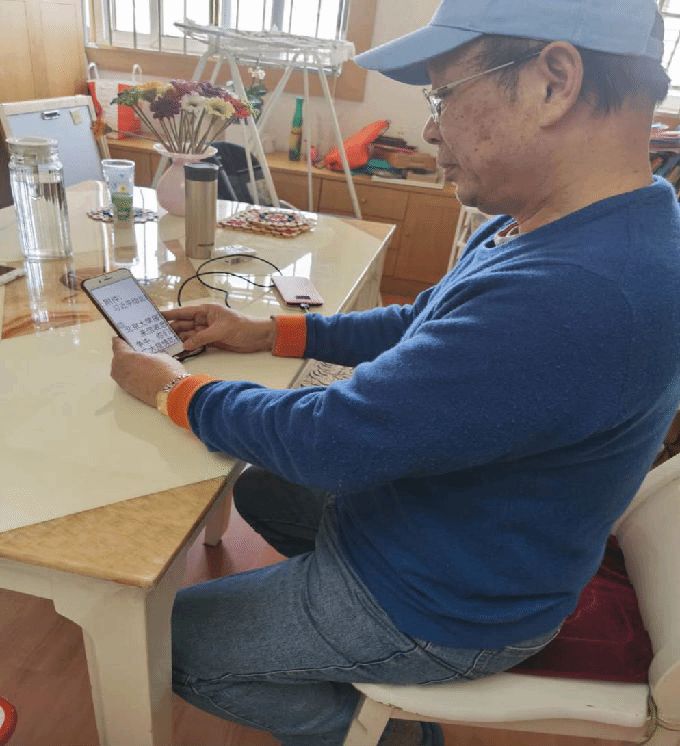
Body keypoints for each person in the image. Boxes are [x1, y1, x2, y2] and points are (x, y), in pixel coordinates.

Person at [110, 1, 680, 744]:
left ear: (554, 81)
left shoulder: (578, 292)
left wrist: (172, 389)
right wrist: (270, 332)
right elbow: (427, 323)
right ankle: (330, 632)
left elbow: (332, 441)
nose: (433, 129)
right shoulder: (574, 222)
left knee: (164, 645)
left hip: (451, 604)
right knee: (261, 488)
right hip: (467, 534)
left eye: (442, 96)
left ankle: (396, 732)